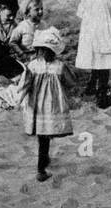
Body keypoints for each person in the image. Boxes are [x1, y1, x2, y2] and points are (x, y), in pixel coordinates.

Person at [17, 27, 75, 181]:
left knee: (43, 136)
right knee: (45, 136)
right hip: (50, 107)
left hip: (40, 106)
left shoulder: (34, 65)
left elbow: (25, 84)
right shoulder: (58, 66)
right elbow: (71, 82)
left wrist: (22, 96)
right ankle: (41, 169)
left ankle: (43, 162)